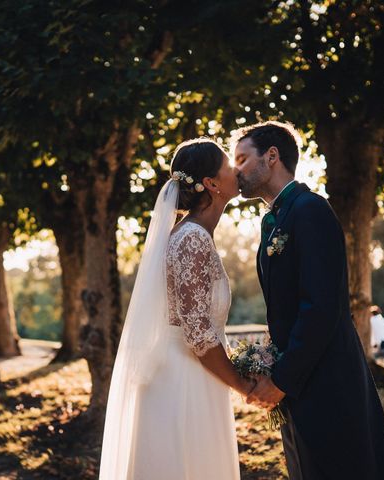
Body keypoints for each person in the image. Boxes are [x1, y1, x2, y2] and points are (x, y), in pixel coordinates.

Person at [233, 121, 384, 480]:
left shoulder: (310, 210)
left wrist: (281, 380)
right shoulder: (278, 219)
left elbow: (321, 307)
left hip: (328, 380)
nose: (236, 170)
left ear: (272, 156)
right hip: (301, 383)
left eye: (242, 158)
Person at [99, 138, 254, 479]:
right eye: (231, 166)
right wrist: (245, 386)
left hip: (198, 374)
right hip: (183, 379)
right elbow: (198, 334)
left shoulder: (195, 234)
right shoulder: (192, 238)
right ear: (212, 184)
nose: (238, 171)